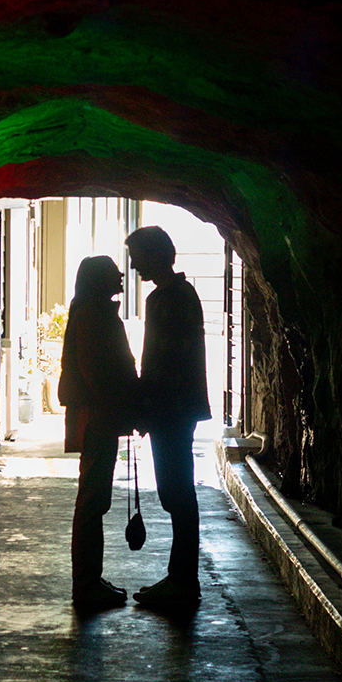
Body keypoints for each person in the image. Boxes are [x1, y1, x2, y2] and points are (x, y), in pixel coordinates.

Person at [124, 225, 210, 608]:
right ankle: (181, 578)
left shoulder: (166, 300)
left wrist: (146, 406)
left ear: (154, 255)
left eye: (137, 257)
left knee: (177, 493)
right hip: (177, 408)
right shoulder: (178, 296)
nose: (133, 266)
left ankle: (182, 581)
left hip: (169, 410)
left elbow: (162, 361)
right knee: (177, 492)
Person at [57, 255, 138, 611]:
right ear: (100, 280)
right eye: (114, 274)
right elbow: (98, 374)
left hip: (98, 416)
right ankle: (86, 584)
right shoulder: (94, 315)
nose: (121, 277)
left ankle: (91, 578)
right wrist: (126, 404)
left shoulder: (91, 310)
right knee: (92, 501)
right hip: (98, 418)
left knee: (94, 499)